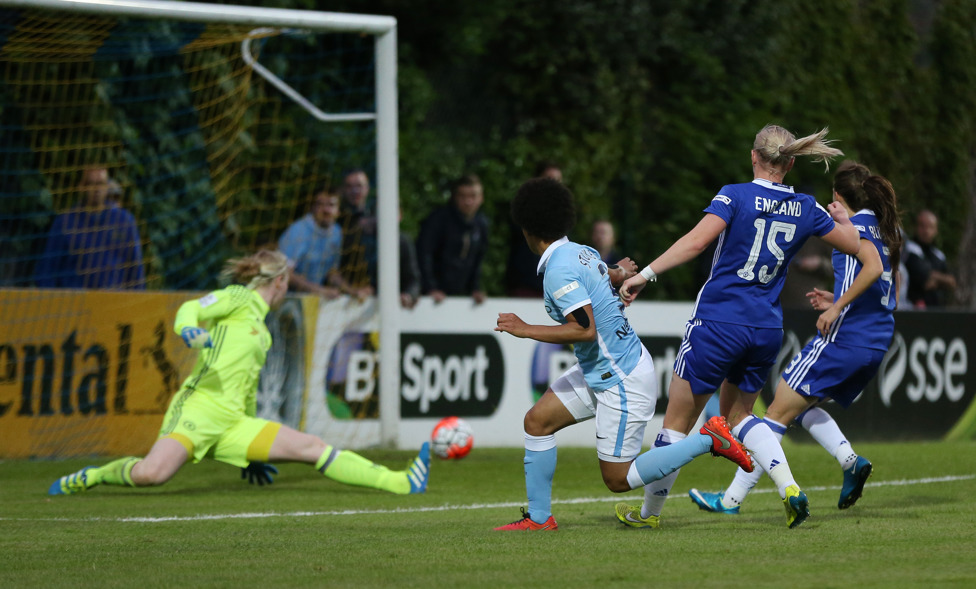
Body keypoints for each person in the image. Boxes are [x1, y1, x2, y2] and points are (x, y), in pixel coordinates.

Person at [616, 125, 861, 529]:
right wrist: (844, 217)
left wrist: (646, 274)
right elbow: (854, 245)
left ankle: (649, 515)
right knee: (741, 416)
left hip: (718, 321)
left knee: (677, 423)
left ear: (754, 156)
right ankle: (789, 488)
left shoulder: (735, 194)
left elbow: (697, 243)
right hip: (765, 327)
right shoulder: (807, 206)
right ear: (791, 162)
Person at [48, 249, 430, 496]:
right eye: (287, 282)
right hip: (199, 408)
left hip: (234, 421)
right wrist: (189, 330)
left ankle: (400, 481)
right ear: (280, 282)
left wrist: (255, 453)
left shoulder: (262, 333)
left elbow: (247, 390)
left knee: (311, 446)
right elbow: (191, 310)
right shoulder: (238, 298)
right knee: (152, 475)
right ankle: (93, 476)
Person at [492, 178, 753, 531]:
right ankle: (540, 519)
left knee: (617, 480)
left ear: (527, 229)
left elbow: (585, 329)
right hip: (604, 369)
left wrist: (525, 328)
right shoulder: (580, 251)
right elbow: (605, 273)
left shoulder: (558, 269)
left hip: (621, 378)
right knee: (537, 422)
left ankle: (709, 439)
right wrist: (620, 273)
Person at [688, 160, 901, 516]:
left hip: (844, 337)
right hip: (877, 338)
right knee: (803, 407)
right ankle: (849, 461)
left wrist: (836, 309)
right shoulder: (884, 228)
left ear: (837, 194)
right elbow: (884, 286)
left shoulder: (853, 227)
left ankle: (731, 500)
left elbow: (873, 269)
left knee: (774, 414)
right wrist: (837, 298)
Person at [34, 166, 145, 289]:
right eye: (91, 184)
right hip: (74, 303)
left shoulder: (124, 221)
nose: (96, 189)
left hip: (112, 302)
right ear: (81, 187)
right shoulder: (65, 222)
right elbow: (47, 270)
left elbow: (136, 271)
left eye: (101, 184)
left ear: (107, 187)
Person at [278, 188, 367, 299]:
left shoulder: (336, 232)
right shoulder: (297, 231)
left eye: (331, 205)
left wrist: (352, 291)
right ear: (312, 208)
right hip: (287, 299)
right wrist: (320, 290)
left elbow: (331, 273)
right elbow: (284, 273)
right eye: (320, 204)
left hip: (314, 299)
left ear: (338, 210)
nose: (326, 210)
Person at [416, 174, 489, 304]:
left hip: (461, 296)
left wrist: (475, 288)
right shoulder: (438, 220)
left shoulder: (481, 224)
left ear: (481, 198)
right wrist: (431, 288)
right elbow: (424, 254)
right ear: (455, 197)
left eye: (473, 196)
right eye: (463, 196)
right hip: (433, 296)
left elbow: (478, 260)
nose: (468, 201)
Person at [505, 161, 562, 297]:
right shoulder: (522, 207)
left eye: (557, 181)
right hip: (525, 286)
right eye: (549, 179)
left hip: (554, 288)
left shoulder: (564, 213)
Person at [904, 209, 955, 309]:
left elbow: (952, 282)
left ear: (936, 230)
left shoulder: (938, 255)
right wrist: (941, 281)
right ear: (916, 227)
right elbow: (925, 280)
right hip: (913, 311)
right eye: (922, 226)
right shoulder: (910, 250)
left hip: (938, 310)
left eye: (930, 227)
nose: (926, 230)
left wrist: (934, 278)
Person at [337, 168, 377, 294]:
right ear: (343, 190)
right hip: (340, 291)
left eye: (359, 186)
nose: (355, 191)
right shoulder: (336, 221)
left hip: (373, 291)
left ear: (367, 188)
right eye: (349, 186)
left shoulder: (378, 220)